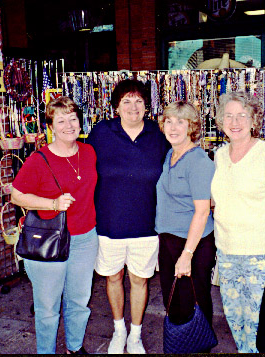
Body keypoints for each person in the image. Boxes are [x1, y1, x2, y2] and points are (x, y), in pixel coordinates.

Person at [210, 92, 265, 353]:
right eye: (229, 115)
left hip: (262, 256)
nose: (234, 121)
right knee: (236, 323)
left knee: (260, 329)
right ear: (221, 120)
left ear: (254, 120)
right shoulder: (220, 156)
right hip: (228, 254)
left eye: (242, 115)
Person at [87, 79, 170, 354]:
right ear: (116, 107)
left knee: (139, 280)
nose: (133, 107)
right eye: (126, 101)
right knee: (112, 278)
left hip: (146, 223)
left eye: (139, 101)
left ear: (146, 106)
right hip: (108, 223)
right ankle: (119, 329)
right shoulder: (101, 132)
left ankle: (135, 334)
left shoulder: (158, 135)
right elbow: (83, 167)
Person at [11, 97, 98, 354]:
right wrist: (52, 203)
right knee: (48, 307)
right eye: (61, 120)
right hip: (48, 241)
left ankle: (75, 347)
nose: (69, 125)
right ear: (51, 126)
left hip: (84, 238)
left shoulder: (89, 152)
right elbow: (16, 196)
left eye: (72, 118)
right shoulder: (39, 160)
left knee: (79, 301)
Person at [155, 101, 216, 333]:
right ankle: (180, 344)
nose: (173, 127)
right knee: (174, 304)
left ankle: (198, 347)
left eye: (181, 122)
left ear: (192, 126)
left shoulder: (198, 162)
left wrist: (186, 255)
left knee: (193, 303)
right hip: (169, 239)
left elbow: (202, 212)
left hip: (193, 243)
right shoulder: (171, 153)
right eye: (169, 121)